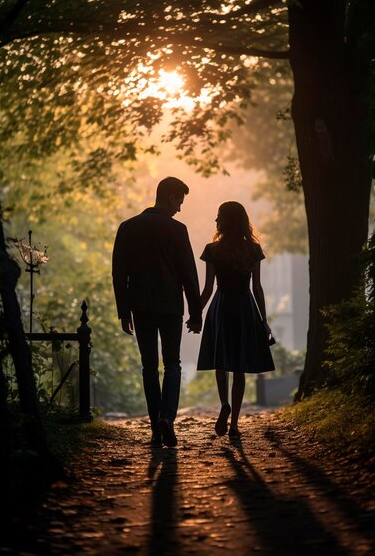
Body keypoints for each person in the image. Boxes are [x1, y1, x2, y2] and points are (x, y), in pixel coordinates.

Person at [112, 177, 202, 448]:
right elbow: (188, 273)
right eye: (180, 201)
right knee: (172, 363)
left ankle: (155, 429)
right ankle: (167, 418)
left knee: (149, 367)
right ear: (171, 197)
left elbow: (119, 273)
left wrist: (123, 309)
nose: (180, 208)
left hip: (140, 305)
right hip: (170, 306)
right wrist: (196, 312)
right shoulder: (177, 230)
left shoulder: (128, 228)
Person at [197, 201, 275, 440]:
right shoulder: (253, 249)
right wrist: (264, 320)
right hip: (244, 306)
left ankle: (224, 404)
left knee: (221, 362)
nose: (216, 220)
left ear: (226, 220)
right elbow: (258, 288)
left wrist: (194, 313)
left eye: (219, 216)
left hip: (221, 306)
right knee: (239, 366)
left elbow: (208, 288)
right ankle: (234, 425)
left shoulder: (212, 249)